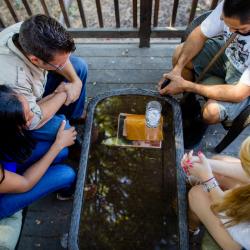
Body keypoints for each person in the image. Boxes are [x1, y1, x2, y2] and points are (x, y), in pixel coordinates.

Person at [0, 14, 88, 158]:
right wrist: (65, 92)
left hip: (36, 87)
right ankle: (66, 129)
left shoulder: (30, 30)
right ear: (34, 59)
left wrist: (75, 82)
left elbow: (64, 63)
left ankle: (74, 116)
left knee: (80, 67)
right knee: (62, 127)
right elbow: (32, 120)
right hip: (22, 116)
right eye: (59, 65)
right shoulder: (12, 80)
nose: (64, 65)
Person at [158, 0, 250, 126]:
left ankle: (199, 120)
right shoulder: (230, 5)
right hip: (228, 54)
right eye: (226, 23)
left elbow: (238, 93)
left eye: (239, 29)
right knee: (179, 54)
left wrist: (186, 85)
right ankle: (189, 105)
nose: (229, 30)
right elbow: (199, 34)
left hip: (243, 83)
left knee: (211, 113)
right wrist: (177, 71)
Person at [0, 85, 77, 219]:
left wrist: (55, 93)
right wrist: (57, 145)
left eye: (30, 110)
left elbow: (35, 110)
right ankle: (65, 193)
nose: (33, 117)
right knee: (66, 174)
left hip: (7, 169)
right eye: (27, 118)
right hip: (3, 199)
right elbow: (26, 183)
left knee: (62, 152)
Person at [181, 137, 250, 250]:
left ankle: (190, 230)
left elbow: (227, 210)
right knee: (220, 161)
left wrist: (207, 178)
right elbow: (245, 172)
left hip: (241, 239)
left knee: (197, 194)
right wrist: (208, 164)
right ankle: (193, 179)